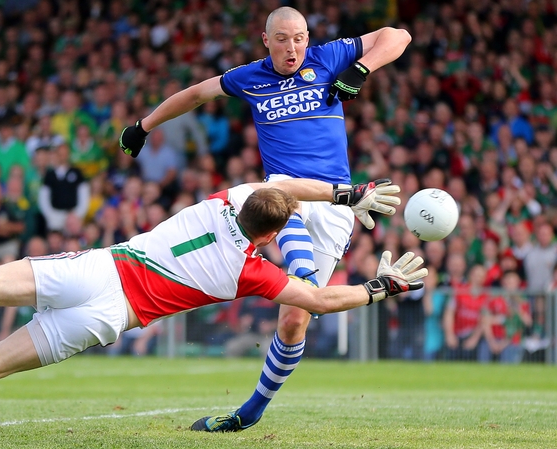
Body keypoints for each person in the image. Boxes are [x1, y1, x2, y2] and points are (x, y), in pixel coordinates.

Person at [0, 177, 424, 445]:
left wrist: (347, 193)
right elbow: (320, 299)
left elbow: (286, 183)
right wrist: (382, 287)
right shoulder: (250, 271)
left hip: (97, 265)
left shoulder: (224, 200)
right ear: (271, 235)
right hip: (111, 314)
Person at [118, 6, 411, 432]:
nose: (292, 47)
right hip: (283, 193)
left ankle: (251, 412)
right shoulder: (248, 78)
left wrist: (363, 67)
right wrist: (143, 126)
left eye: (298, 38)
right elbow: (196, 94)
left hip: (337, 206)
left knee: (294, 320)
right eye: (282, 39)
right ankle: (303, 279)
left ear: (308, 38)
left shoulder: (329, 58)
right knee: (296, 260)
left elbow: (398, 35)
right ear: (265, 40)